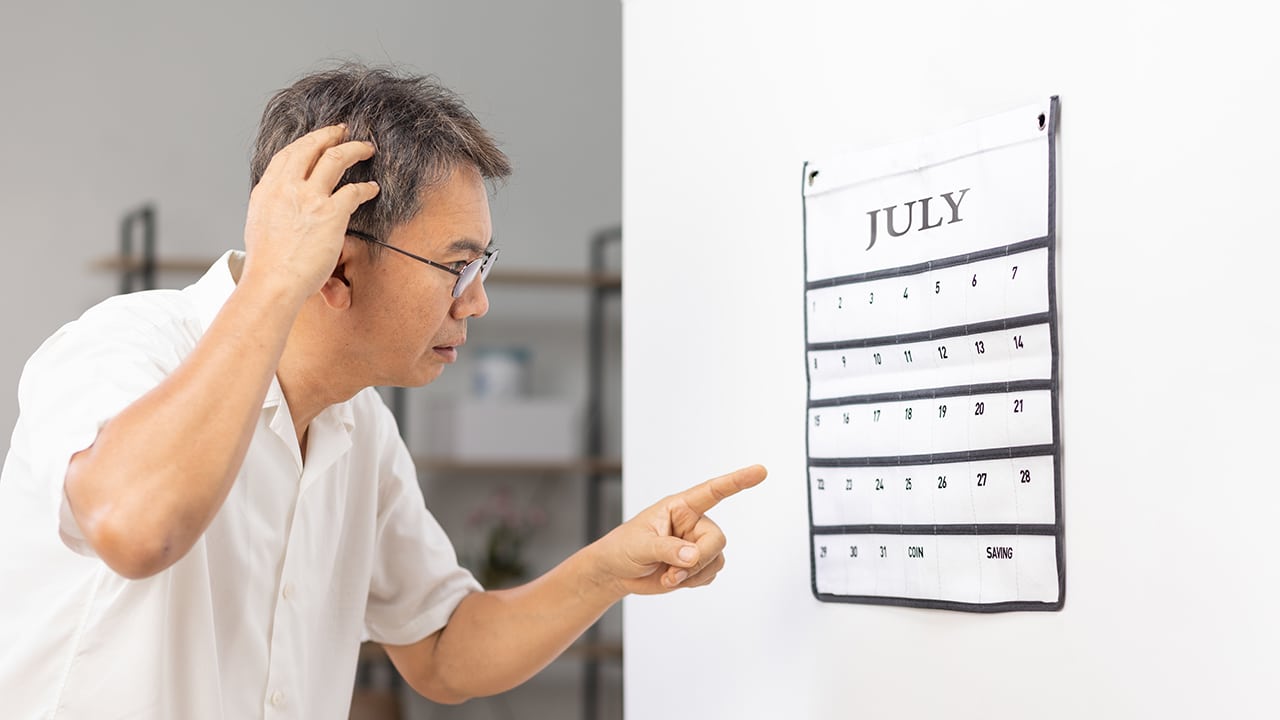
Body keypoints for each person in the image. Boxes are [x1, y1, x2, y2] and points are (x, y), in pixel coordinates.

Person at [0, 64, 765, 718]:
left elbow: (442, 649)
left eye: (483, 267)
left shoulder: (359, 426)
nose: (475, 301)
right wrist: (274, 276)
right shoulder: (123, 346)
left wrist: (608, 568)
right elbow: (138, 529)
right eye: (455, 266)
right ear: (334, 262)